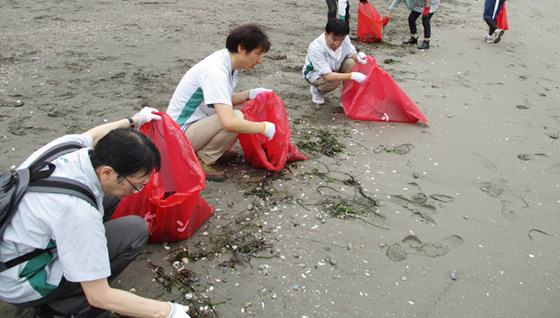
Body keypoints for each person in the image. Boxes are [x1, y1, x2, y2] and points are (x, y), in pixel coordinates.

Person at [0, 107, 191, 318]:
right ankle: (63, 306)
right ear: (108, 172)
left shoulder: (68, 148)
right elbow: (99, 296)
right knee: (134, 231)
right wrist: (168, 311)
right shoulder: (78, 212)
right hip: (21, 282)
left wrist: (135, 119)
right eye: (136, 185)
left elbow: (94, 134)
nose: (136, 191)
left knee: (110, 198)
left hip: (12, 245)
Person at [166, 24, 276, 182]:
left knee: (246, 106)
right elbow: (229, 123)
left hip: (195, 123)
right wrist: (264, 127)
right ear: (241, 48)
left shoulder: (228, 62)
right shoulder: (215, 71)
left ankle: (209, 150)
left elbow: (222, 98)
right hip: (177, 135)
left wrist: (249, 94)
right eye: (257, 54)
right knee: (235, 116)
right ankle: (201, 160)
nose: (260, 60)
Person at [302, 19, 369, 106]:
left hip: (336, 66)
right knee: (333, 82)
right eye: (333, 40)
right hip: (316, 74)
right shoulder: (316, 47)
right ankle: (317, 91)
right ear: (326, 34)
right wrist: (353, 76)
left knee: (351, 63)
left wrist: (359, 57)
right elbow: (328, 76)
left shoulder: (345, 39)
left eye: (340, 41)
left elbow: (351, 54)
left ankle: (347, 97)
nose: (337, 44)